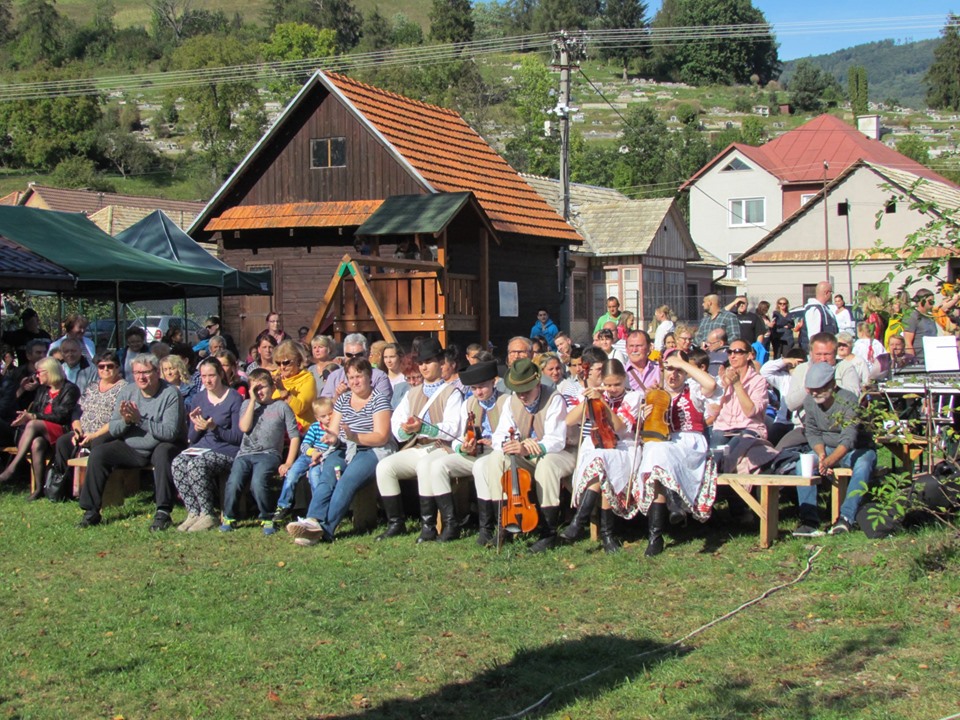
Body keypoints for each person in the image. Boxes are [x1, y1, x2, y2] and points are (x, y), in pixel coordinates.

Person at [287, 358, 396, 545]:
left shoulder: (379, 400)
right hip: (344, 448)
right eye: (351, 377)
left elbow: (381, 436)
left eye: (359, 376)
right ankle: (312, 520)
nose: (355, 381)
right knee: (327, 476)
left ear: (369, 376)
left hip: (372, 449)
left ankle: (325, 530)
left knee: (347, 481)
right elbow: (334, 430)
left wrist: (355, 436)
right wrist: (331, 438)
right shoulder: (343, 400)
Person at [474, 359, 575, 553]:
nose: (522, 395)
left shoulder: (554, 398)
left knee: (546, 465)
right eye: (518, 391)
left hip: (561, 453)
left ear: (537, 384)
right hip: (527, 452)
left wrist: (530, 447)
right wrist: (510, 444)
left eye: (526, 390)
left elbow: (556, 440)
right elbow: (500, 435)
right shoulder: (512, 401)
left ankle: (548, 532)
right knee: (496, 458)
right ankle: (504, 523)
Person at [77, 354, 185, 529]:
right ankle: (91, 511)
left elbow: (170, 433)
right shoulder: (128, 391)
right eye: (137, 373)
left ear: (157, 372)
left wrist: (139, 420)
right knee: (99, 453)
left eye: (146, 372)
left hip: (161, 444)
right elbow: (114, 428)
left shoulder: (170, 394)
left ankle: (163, 512)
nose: (141, 377)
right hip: (132, 447)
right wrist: (126, 421)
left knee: (163, 452)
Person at [632, 350, 720, 556]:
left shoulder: (693, 390)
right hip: (664, 444)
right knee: (656, 455)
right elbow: (644, 431)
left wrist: (683, 364)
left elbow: (711, 385)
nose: (674, 374)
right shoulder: (655, 393)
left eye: (679, 371)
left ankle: (659, 530)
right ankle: (661, 526)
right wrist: (644, 416)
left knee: (658, 454)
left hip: (690, 444)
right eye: (670, 369)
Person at [375, 338, 464, 542]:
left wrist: (423, 428)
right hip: (417, 446)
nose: (424, 367)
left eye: (429, 361)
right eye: (421, 362)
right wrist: (406, 430)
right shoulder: (412, 393)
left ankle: (428, 526)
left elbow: (453, 428)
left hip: (442, 447)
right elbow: (396, 423)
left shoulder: (452, 392)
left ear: (440, 362)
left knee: (425, 466)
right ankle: (396, 523)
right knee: (385, 467)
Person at [561, 359, 643, 553]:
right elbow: (569, 420)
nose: (612, 389)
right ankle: (606, 534)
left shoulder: (634, 397)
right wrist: (588, 401)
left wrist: (603, 402)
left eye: (617, 384)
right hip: (598, 444)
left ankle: (579, 521)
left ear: (624, 379)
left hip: (624, 446)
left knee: (603, 462)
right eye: (608, 385)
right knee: (601, 462)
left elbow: (621, 428)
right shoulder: (597, 394)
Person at [792, 362, 877, 537]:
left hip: (856, 449)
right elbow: (812, 432)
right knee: (802, 465)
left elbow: (849, 438)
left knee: (863, 465)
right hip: (827, 449)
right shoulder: (810, 402)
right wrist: (822, 455)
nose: (815, 393)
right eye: (811, 389)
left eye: (819, 388)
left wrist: (829, 461)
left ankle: (846, 518)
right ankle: (809, 521)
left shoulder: (848, 400)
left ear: (832, 384)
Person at [220, 369, 300, 534]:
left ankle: (267, 516)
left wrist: (288, 462)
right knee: (234, 482)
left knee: (258, 482)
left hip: (268, 454)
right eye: (255, 389)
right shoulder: (246, 405)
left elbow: (294, 436)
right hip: (245, 453)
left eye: (262, 387)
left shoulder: (281, 407)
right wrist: (251, 401)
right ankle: (229, 516)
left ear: (272, 387)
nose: (259, 392)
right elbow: (244, 427)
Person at [171, 358, 244, 532]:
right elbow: (192, 438)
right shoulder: (199, 398)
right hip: (202, 447)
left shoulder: (234, 398)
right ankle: (193, 512)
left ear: (220, 375)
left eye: (211, 375)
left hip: (227, 450)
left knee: (196, 465)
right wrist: (196, 426)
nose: (207, 380)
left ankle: (208, 513)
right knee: (178, 462)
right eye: (203, 376)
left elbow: (238, 437)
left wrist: (214, 428)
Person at [47, 351, 127, 500]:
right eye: (101, 366)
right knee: (63, 442)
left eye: (110, 366)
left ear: (117, 367)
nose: (105, 369)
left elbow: (119, 418)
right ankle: (66, 488)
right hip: (84, 431)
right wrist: (77, 430)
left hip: (107, 432)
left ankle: (90, 490)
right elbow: (77, 411)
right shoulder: (92, 386)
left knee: (98, 443)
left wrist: (94, 435)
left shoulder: (125, 388)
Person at [0, 357, 80, 498]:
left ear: (49, 371)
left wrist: (33, 417)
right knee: (37, 444)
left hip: (63, 430)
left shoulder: (70, 389)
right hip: (43, 431)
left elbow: (62, 416)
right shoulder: (43, 390)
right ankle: (38, 489)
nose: (37, 376)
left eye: (39, 372)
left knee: (33, 423)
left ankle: (13, 467)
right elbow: (36, 411)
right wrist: (25, 417)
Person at [271, 397, 336, 524]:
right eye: (323, 416)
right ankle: (283, 505)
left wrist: (320, 456)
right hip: (308, 455)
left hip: (323, 458)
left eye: (330, 414)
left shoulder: (336, 428)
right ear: (317, 418)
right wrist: (312, 452)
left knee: (314, 476)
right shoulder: (314, 427)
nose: (328, 418)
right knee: (292, 474)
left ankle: (318, 509)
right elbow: (305, 444)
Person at [709, 338, 768, 446]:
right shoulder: (723, 378)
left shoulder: (758, 381)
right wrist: (724, 388)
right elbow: (713, 411)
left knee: (737, 446)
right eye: (729, 352)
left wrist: (736, 384)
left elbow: (750, 412)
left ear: (749, 355)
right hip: (723, 427)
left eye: (737, 352)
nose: (732, 356)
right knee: (716, 449)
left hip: (749, 428)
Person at [785, 333, 863, 414]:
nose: (823, 359)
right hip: (806, 419)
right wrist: (809, 388)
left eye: (827, 354)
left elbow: (854, 396)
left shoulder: (845, 367)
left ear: (835, 353)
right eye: (818, 354)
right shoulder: (801, 369)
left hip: (837, 417)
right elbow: (791, 405)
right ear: (811, 353)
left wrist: (830, 387)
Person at [320, 334, 391, 401]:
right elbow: (323, 406)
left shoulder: (380, 377)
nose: (354, 358)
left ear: (367, 354)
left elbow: (382, 403)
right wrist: (337, 396)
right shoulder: (334, 376)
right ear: (344, 355)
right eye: (349, 355)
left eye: (359, 355)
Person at [271, 340, 316, 430]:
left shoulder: (307, 379)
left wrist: (283, 391)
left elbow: (300, 408)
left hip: (301, 430)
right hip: (277, 428)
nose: (282, 367)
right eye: (278, 363)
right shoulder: (273, 377)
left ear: (298, 360)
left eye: (286, 362)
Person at [903, 288, 939, 365]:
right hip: (919, 360)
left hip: (933, 358)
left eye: (933, 301)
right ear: (922, 301)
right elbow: (908, 343)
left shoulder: (930, 317)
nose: (932, 304)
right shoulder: (912, 316)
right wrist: (913, 361)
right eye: (930, 301)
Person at [799, 281, 838, 351]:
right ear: (826, 293)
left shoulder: (826, 308)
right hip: (820, 352)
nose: (831, 295)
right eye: (831, 292)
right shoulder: (814, 310)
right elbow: (814, 337)